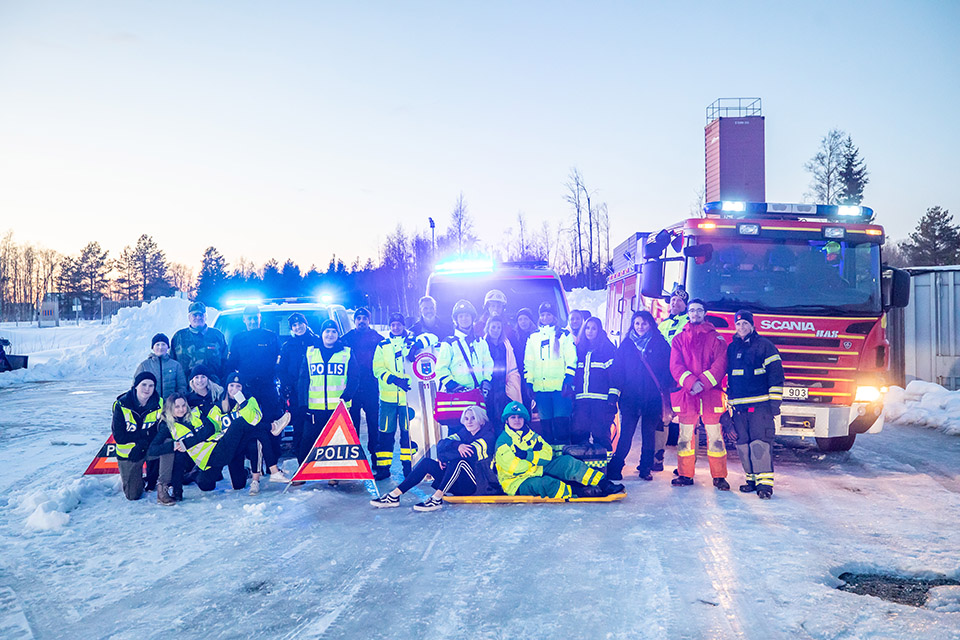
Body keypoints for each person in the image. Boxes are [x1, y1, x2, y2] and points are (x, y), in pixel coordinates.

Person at [370, 405, 498, 511]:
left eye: (473, 418)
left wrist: (447, 455)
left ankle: (437, 498)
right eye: (466, 418)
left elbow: (468, 455)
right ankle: (394, 496)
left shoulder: (487, 437)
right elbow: (442, 444)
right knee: (427, 463)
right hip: (459, 482)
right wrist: (453, 448)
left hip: (478, 486)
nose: (469, 421)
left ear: (481, 420)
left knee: (459, 461)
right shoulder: (464, 433)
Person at [494, 402, 623, 499]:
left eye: (519, 417)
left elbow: (548, 454)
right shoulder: (503, 441)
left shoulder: (531, 434)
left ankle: (603, 484)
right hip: (516, 482)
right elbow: (516, 468)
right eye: (513, 417)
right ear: (507, 420)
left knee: (566, 462)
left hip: (536, 468)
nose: (517, 420)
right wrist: (537, 457)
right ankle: (580, 492)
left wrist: (528, 455)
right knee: (546, 483)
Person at [669, 298, 730, 490]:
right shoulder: (679, 339)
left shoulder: (716, 339)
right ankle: (685, 474)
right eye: (692, 310)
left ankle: (719, 476)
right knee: (685, 438)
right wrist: (691, 383)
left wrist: (701, 384)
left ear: (705, 313)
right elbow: (675, 366)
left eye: (699, 310)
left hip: (710, 395)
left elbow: (720, 365)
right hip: (688, 395)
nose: (695, 314)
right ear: (688, 313)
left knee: (716, 439)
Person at [609, 310, 673, 481]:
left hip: (652, 398)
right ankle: (616, 466)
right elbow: (618, 370)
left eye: (644, 323)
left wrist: (664, 385)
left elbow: (668, 367)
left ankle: (645, 467)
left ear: (650, 324)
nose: (640, 327)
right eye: (637, 323)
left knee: (648, 433)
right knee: (627, 433)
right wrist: (615, 393)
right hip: (630, 398)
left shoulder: (660, 343)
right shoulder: (627, 344)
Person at [726, 310, 783, 499]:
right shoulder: (732, 348)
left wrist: (774, 404)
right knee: (743, 445)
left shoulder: (765, 346)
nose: (742, 327)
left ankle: (764, 485)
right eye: (738, 324)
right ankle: (751, 480)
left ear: (752, 325)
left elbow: (775, 375)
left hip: (760, 407)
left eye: (745, 324)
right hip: (739, 409)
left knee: (760, 444)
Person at [208, 372, 290, 494]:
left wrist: (242, 401)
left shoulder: (250, 400)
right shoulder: (218, 406)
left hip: (248, 441)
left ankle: (258, 479)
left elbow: (255, 420)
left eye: (238, 386)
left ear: (243, 388)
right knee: (238, 485)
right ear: (227, 387)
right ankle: (273, 427)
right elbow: (214, 429)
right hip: (231, 447)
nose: (234, 389)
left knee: (256, 439)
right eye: (231, 385)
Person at [297, 319, 359, 465]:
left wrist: (348, 394)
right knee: (307, 441)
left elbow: (355, 377)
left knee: (337, 442)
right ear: (322, 333)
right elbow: (303, 380)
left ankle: (334, 474)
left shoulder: (347, 352)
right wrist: (303, 404)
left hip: (339, 407)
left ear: (338, 334)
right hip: (315, 408)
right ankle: (302, 472)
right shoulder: (311, 352)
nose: (330, 335)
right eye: (327, 331)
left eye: (333, 332)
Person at [524, 302, 577, 444]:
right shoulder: (533, 337)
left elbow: (571, 359)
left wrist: (569, 380)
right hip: (541, 389)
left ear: (554, 317)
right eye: (542, 315)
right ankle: (550, 458)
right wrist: (529, 382)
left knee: (561, 426)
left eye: (548, 314)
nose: (545, 317)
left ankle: (564, 456)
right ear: (539, 317)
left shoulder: (564, 335)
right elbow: (529, 361)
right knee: (545, 427)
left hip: (560, 389)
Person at [435, 299, 493, 427]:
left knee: (478, 430)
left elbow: (488, 363)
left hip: (477, 394)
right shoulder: (449, 342)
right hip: (458, 396)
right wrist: (453, 385)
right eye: (460, 316)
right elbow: (440, 368)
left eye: (467, 315)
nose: (464, 319)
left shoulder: (481, 342)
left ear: (472, 318)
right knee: (458, 432)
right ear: (456, 320)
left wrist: (486, 381)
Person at [372, 312, 416, 480]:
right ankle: (383, 469)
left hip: (408, 399)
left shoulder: (412, 342)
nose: (396, 327)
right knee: (385, 434)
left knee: (408, 434)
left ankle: (409, 467)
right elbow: (377, 368)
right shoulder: (382, 345)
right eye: (393, 324)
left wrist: (418, 343)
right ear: (389, 326)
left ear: (403, 325)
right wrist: (394, 379)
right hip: (388, 399)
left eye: (398, 324)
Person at [111, 372, 164, 501]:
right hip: (129, 451)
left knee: (168, 443)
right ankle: (138, 479)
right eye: (144, 384)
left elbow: (161, 431)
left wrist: (143, 442)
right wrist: (142, 439)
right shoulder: (121, 405)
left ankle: (159, 481)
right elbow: (119, 436)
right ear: (135, 386)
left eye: (151, 385)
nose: (147, 389)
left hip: (149, 447)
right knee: (133, 495)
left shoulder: (160, 403)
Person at [341, 308, 384, 466]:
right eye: (358, 318)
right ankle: (354, 460)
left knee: (373, 424)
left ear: (369, 320)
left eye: (364, 318)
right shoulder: (346, 339)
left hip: (371, 387)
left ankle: (376, 458)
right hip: (352, 388)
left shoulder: (378, 339)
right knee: (352, 425)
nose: (361, 321)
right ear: (354, 321)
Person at [655, 284, 689, 469]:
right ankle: (657, 459)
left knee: (686, 419)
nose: (675, 303)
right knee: (662, 417)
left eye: (679, 301)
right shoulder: (663, 324)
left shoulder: (688, 324)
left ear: (685, 305)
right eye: (673, 300)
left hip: (682, 377)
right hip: (663, 377)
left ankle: (685, 465)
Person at [571, 316, 617, 451]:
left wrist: (613, 395)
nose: (590, 331)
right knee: (579, 433)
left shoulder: (607, 349)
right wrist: (572, 392)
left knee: (601, 434)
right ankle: (583, 466)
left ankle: (604, 467)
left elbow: (614, 375)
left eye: (593, 328)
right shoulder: (579, 350)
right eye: (587, 328)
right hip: (582, 400)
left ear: (599, 330)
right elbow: (575, 374)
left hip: (601, 401)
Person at [278, 312, 315, 462]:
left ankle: (317, 457)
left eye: (300, 323)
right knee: (298, 426)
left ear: (306, 323)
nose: (298, 327)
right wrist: (286, 385)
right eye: (294, 325)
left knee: (315, 426)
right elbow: (281, 369)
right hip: (295, 393)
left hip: (315, 392)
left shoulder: (316, 342)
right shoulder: (288, 346)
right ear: (291, 328)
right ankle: (301, 457)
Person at [147, 391, 196, 504]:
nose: (181, 409)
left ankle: (184, 482)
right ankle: (164, 489)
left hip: (193, 459)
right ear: (170, 408)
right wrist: (172, 446)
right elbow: (152, 450)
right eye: (176, 407)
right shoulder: (166, 425)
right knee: (173, 447)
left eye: (183, 406)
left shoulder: (191, 419)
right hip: (173, 462)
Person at [171, 301, 228, 384]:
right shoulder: (179, 337)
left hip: (213, 387)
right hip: (186, 388)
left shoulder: (217, 336)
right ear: (189, 317)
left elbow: (225, 362)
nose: (198, 317)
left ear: (205, 317)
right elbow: (171, 363)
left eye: (201, 315)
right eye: (195, 315)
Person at [483, 316, 522, 426]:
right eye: (493, 327)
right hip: (489, 386)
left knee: (503, 417)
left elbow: (512, 366)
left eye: (498, 327)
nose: (496, 330)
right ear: (488, 328)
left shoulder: (506, 345)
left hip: (503, 386)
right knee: (488, 418)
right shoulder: (482, 344)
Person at [134, 333, 187, 400]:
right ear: (152, 347)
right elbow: (135, 386)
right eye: (157, 344)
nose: (160, 347)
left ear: (168, 347)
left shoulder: (175, 365)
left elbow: (181, 386)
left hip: (170, 405)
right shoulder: (144, 365)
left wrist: (177, 400)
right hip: (151, 405)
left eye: (163, 344)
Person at [513, 307, 537, 409]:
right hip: (519, 374)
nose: (523, 322)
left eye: (525, 319)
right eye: (520, 319)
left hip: (534, 374)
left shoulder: (537, 336)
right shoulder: (513, 337)